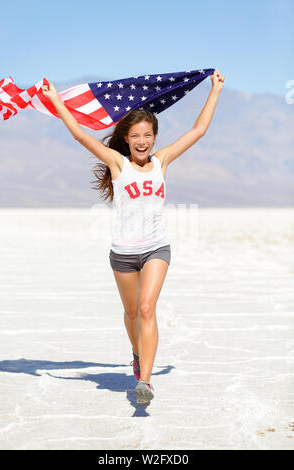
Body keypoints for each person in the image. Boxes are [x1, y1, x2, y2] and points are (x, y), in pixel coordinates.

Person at [42, 69, 224, 406]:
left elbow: (198, 130)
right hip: (122, 253)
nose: (143, 141)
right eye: (136, 135)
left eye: (148, 135)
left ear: (155, 137)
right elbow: (82, 137)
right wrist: (56, 101)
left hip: (156, 247)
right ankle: (137, 356)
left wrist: (214, 90)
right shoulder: (117, 163)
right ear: (126, 138)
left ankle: (146, 381)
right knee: (130, 314)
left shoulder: (161, 161)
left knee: (145, 308)